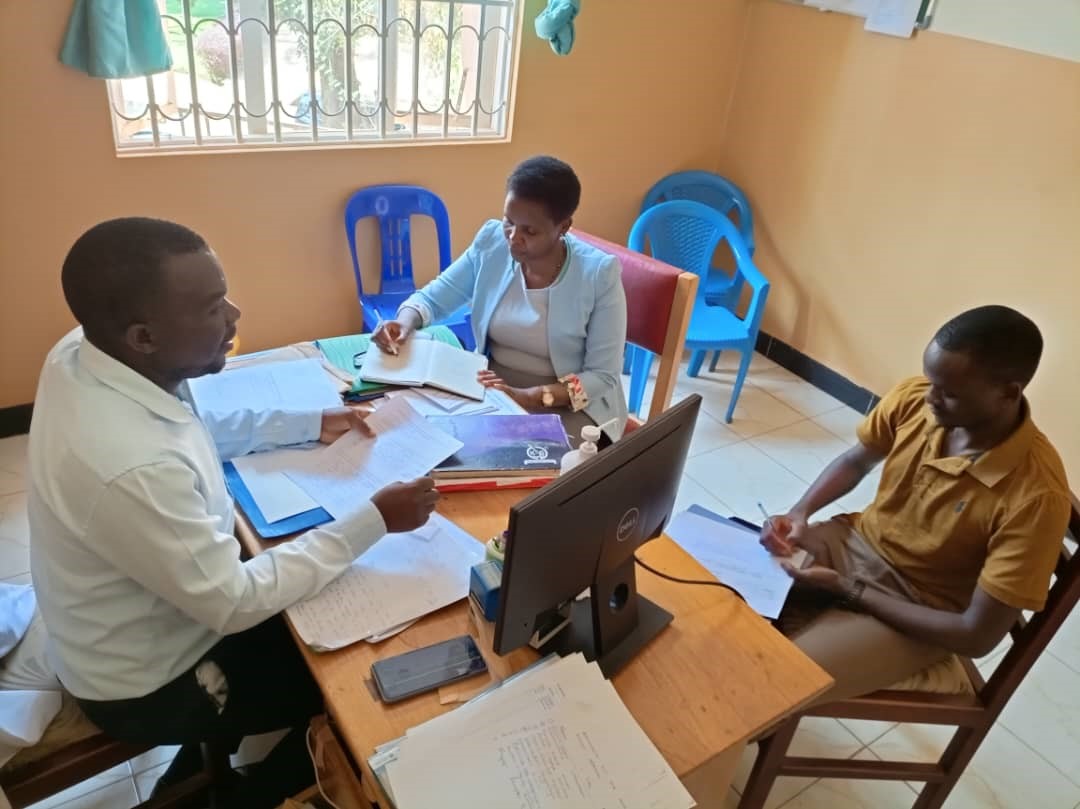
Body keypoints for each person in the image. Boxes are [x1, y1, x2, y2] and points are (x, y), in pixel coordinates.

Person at [27, 218, 439, 808]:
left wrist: (302, 423)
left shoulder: (89, 352)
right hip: (150, 682)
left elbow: (180, 428)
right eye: (213, 306)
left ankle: (208, 771)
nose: (236, 315)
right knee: (367, 682)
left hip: (146, 619)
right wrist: (374, 518)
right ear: (144, 336)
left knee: (323, 609)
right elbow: (234, 601)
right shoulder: (128, 465)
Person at [760, 305, 1071, 703]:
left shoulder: (1036, 497)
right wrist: (799, 514)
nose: (931, 399)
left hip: (921, 610)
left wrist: (849, 589)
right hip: (856, 543)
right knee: (719, 600)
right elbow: (857, 460)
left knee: (775, 684)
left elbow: (976, 635)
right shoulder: (917, 399)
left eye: (950, 393)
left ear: (1008, 393)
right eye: (931, 382)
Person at [372, 155, 630, 440]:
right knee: (423, 436)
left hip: (569, 403)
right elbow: (435, 297)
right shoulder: (492, 241)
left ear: (563, 228)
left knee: (523, 465)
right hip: (492, 386)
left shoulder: (597, 274)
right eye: (509, 221)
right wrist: (404, 322)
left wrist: (529, 397)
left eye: (529, 231)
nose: (513, 237)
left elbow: (602, 376)